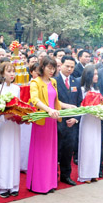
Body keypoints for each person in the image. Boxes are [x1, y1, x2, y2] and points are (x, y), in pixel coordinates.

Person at [27, 56, 75, 194]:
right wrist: (49, 110)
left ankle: (49, 183)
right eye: (49, 67)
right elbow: (35, 100)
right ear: (42, 67)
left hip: (53, 120)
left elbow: (56, 101)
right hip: (42, 120)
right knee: (41, 152)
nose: (52, 70)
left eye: (54, 68)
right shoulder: (35, 82)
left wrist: (67, 106)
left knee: (51, 152)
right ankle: (38, 184)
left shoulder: (53, 82)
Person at [0, 62, 21, 198]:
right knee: (3, 153)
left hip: (13, 125)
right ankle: (2, 186)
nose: (12, 74)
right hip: (1, 125)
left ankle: (14, 185)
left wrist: (19, 115)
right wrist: (4, 116)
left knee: (14, 152)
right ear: (1, 73)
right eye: (9, 71)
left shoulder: (16, 88)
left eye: (13, 71)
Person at [55, 55, 82, 186]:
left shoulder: (76, 82)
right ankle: (53, 176)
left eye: (72, 67)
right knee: (55, 151)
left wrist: (75, 119)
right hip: (57, 122)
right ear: (61, 65)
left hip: (72, 124)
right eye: (67, 66)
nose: (70, 69)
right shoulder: (54, 81)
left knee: (68, 151)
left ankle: (66, 175)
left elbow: (80, 103)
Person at [77, 65, 103, 182]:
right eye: (94, 74)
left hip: (96, 120)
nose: (96, 76)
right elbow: (82, 105)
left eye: (97, 74)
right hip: (87, 119)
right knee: (87, 146)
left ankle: (94, 172)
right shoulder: (83, 89)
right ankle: (85, 174)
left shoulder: (97, 89)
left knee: (96, 145)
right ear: (88, 75)